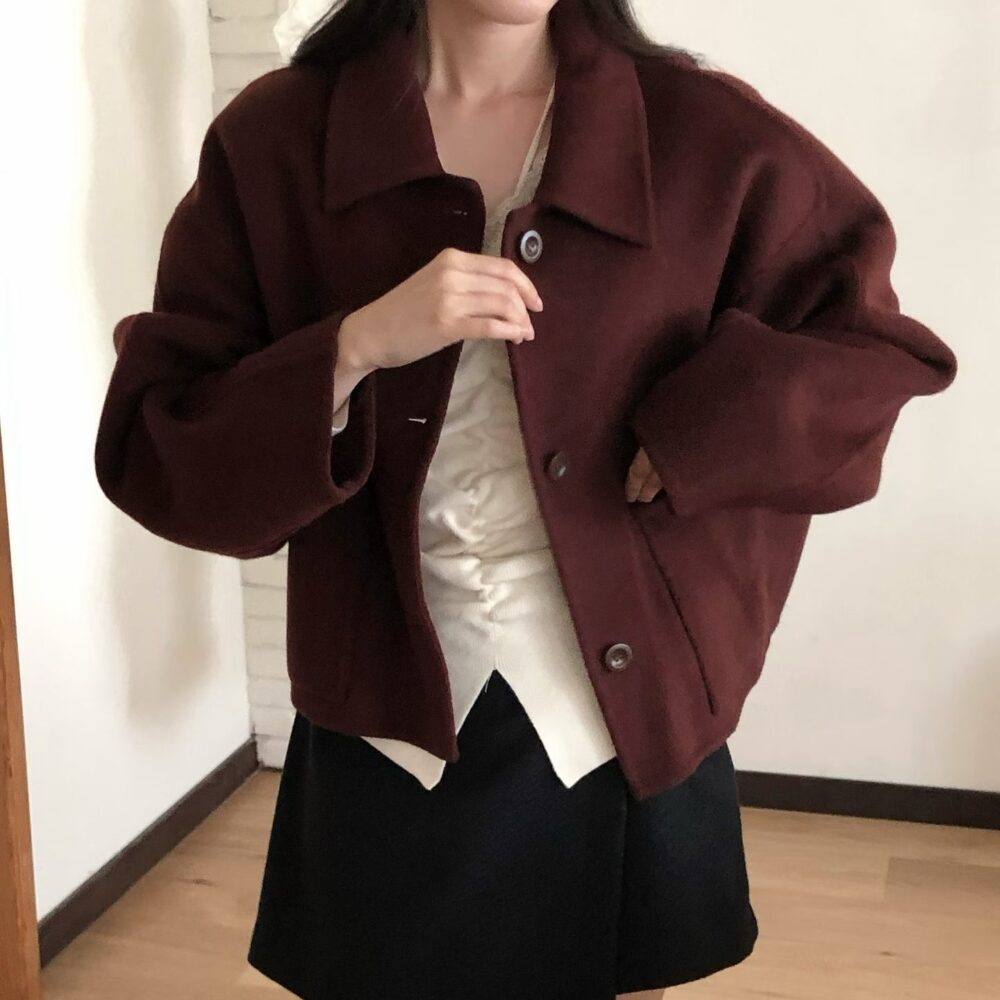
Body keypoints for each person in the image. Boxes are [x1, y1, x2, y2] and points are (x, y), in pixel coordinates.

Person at [93, 1, 958, 997]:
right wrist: (354, 347)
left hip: (624, 711)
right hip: (385, 711)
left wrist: (702, 428)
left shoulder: (706, 133)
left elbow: (873, 349)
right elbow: (157, 439)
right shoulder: (276, 140)